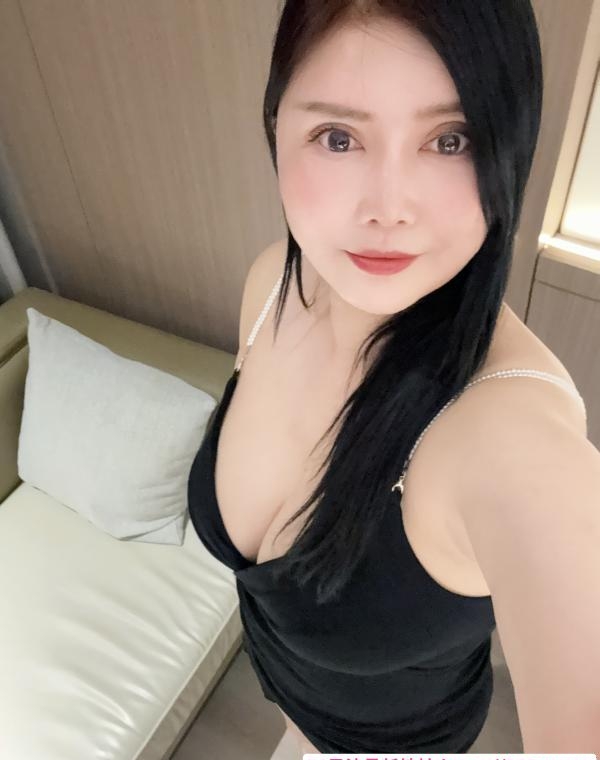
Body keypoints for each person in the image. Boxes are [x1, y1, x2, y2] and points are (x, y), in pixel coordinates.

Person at [188, 0, 599, 755]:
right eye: (338, 137)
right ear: (276, 129)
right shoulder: (270, 289)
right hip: (288, 707)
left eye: (450, 139)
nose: (388, 208)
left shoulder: (507, 437)